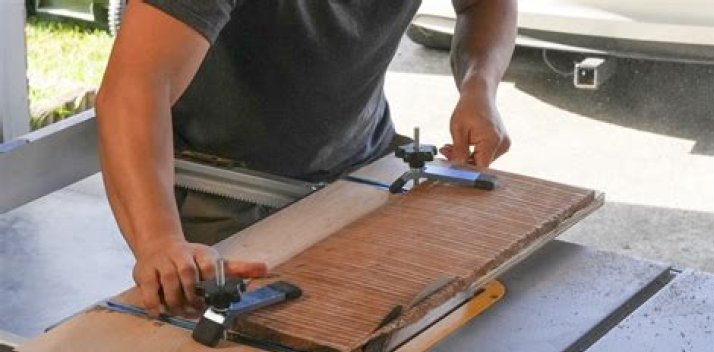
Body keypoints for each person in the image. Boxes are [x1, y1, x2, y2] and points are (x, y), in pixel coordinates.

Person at [95, 0, 517, 317]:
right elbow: (134, 89)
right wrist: (159, 242)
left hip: (366, 167)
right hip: (227, 191)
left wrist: (479, 85)